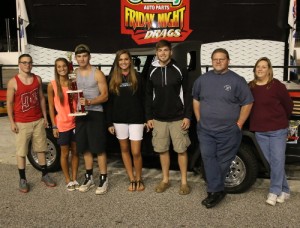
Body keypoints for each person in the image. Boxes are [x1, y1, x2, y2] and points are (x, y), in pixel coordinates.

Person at [192, 48, 253, 208]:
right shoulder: (202, 80)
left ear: (228, 61)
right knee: (208, 159)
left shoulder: (237, 80)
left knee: (223, 161)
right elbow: (196, 100)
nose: (218, 62)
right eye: (215, 59)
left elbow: (248, 102)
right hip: (206, 130)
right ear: (211, 61)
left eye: (222, 59)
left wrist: (239, 123)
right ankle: (215, 191)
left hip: (228, 131)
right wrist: (199, 119)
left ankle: (215, 191)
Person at [145, 39, 193, 195]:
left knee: (181, 150)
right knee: (162, 150)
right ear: (156, 52)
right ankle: (165, 180)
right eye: (160, 51)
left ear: (170, 52)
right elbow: (147, 95)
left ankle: (184, 182)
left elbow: (187, 93)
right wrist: (149, 117)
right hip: (158, 118)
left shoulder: (179, 69)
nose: (163, 53)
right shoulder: (152, 70)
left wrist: (187, 116)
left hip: (178, 117)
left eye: (166, 50)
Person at [6, 54, 56, 193]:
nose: (27, 65)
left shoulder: (37, 79)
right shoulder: (13, 82)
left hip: (38, 120)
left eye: (29, 62)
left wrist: (45, 118)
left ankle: (44, 175)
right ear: (19, 64)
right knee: (21, 151)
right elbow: (9, 103)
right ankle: (22, 179)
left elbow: (41, 99)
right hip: (22, 122)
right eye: (24, 62)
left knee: (41, 149)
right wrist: (12, 122)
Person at [249, 57, 293, 206]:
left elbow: (288, 105)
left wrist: (280, 120)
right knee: (272, 163)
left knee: (277, 161)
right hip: (260, 131)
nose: (260, 69)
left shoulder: (276, 86)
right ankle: (285, 190)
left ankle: (274, 192)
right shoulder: (251, 86)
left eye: (264, 67)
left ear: (269, 70)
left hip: (277, 130)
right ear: (255, 69)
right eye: (258, 67)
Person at [106, 50, 145, 191]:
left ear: (130, 61)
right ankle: (132, 179)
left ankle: (139, 177)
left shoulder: (138, 77)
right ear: (117, 62)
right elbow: (109, 102)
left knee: (135, 152)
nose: (123, 62)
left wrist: (146, 118)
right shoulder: (112, 78)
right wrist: (109, 122)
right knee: (124, 149)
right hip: (119, 120)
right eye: (121, 59)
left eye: (126, 59)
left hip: (136, 119)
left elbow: (144, 99)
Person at [73, 44, 109, 194]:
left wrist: (89, 102)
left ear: (89, 56)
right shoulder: (74, 73)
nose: (82, 59)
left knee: (98, 148)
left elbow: (105, 96)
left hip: (95, 113)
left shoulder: (97, 73)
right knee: (85, 147)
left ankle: (103, 178)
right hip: (80, 115)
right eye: (79, 56)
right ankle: (89, 177)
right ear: (76, 58)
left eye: (84, 56)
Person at [47, 57, 79, 191]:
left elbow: (78, 101)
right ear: (56, 69)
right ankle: (68, 179)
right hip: (62, 124)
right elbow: (50, 107)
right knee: (65, 154)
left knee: (76, 153)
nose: (62, 69)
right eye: (59, 67)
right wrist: (54, 125)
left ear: (68, 67)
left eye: (64, 66)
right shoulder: (52, 85)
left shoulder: (73, 82)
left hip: (76, 123)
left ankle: (75, 177)